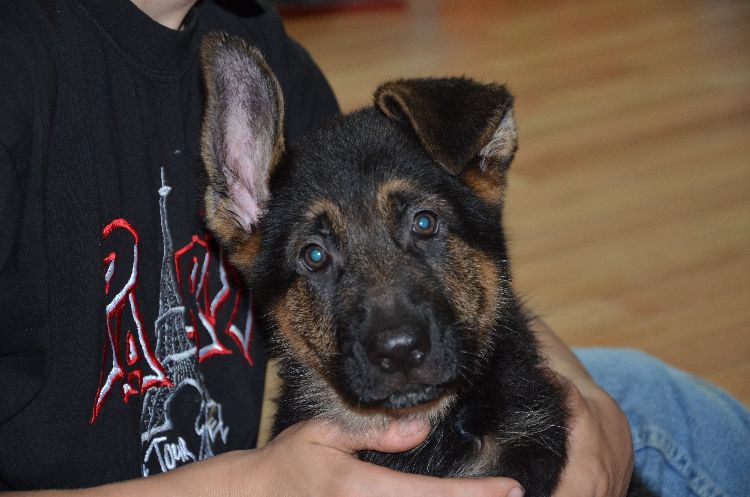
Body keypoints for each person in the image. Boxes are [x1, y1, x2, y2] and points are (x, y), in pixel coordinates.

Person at [1, 1, 747, 496]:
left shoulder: (252, 37)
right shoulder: (22, 77)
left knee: (650, 402)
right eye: (317, 260)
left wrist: (589, 409)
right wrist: (259, 485)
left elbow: (444, 222)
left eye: (418, 231)